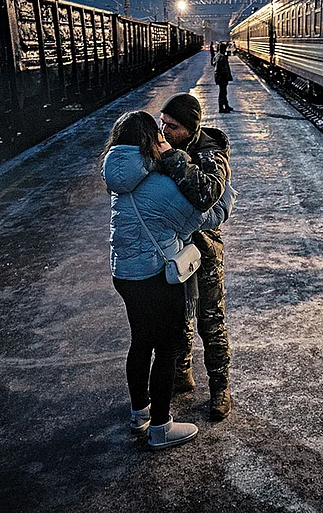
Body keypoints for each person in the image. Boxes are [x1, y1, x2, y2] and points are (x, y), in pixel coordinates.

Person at [101, 110, 236, 450]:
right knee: (167, 348)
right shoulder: (159, 184)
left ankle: (139, 413)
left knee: (140, 342)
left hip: (125, 274)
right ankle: (160, 426)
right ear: (150, 141)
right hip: (157, 277)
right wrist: (227, 189)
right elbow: (210, 215)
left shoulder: (119, 180)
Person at [158, 92, 233, 420]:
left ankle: (220, 387)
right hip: (173, 251)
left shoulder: (211, 153)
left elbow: (205, 194)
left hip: (204, 251)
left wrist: (172, 157)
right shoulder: (171, 145)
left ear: (190, 128)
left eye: (171, 126)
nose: (164, 131)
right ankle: (182, 374)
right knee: (178, 318)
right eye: (162, 123)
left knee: (211, 320)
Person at [212, 43, 234, 113]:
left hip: (220, 77)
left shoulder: (218, 55)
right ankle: (221, 108)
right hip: (222, 77)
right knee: (222, 93)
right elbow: (223, 69)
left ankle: (226, 105)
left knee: (224, 92)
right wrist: (227, 76)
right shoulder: (221, 57)